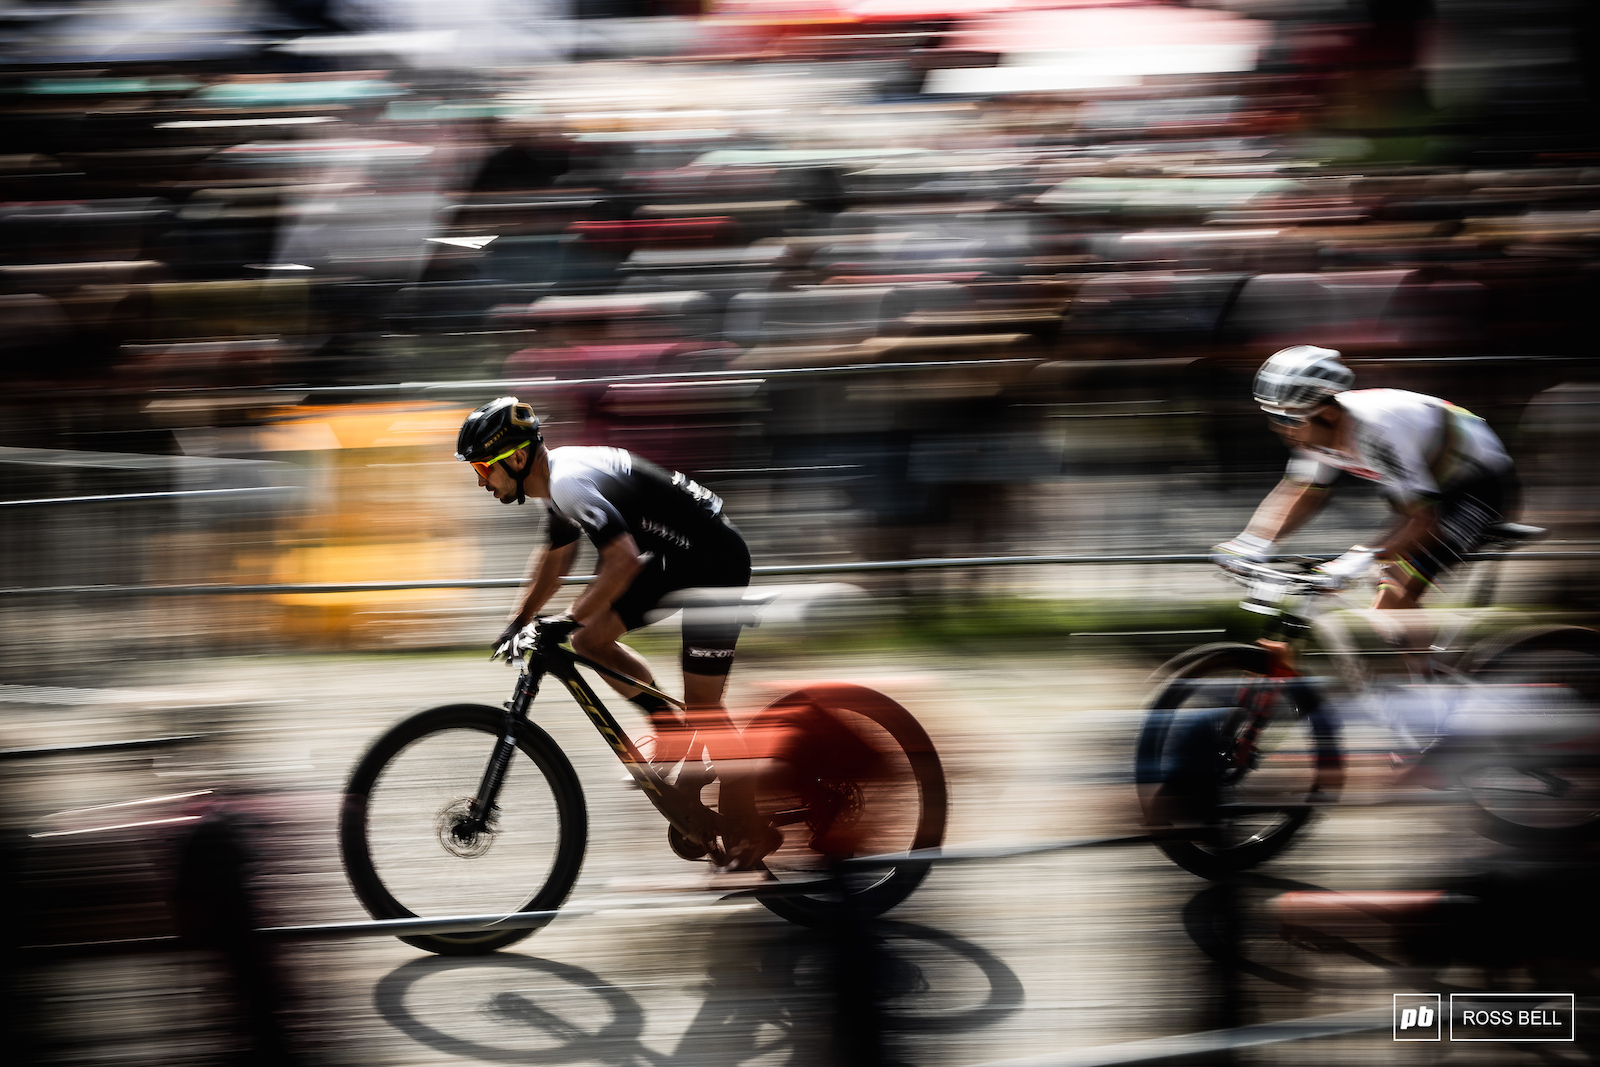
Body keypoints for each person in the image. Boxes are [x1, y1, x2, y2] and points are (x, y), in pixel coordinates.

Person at [455, 396, 778, 870]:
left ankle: (748, 822)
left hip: (715, 560)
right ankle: (671, 731)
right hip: (679, 557)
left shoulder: (567, 482)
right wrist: (519, 620)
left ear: (517, 458)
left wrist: (567, 617)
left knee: (705, 706)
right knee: (589, 638)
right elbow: (556, 559)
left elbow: (622, 559)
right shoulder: (557, 480)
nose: (481, 481)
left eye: (483, 467)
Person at [1215, 345, 1518, 614]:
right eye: (1273, 417)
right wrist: (1253, 542)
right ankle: (1419, 670)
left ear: (1328, 414)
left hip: (1477, 487)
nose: (1281, 429)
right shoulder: (1314, 433)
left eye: (1288, 419)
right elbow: (1304, 489)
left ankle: (1426, 679)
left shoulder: (1378, 430)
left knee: (1392, 598)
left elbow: (1425, 519)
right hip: (1429, 486)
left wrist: (1355, 560)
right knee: (1380, 578)